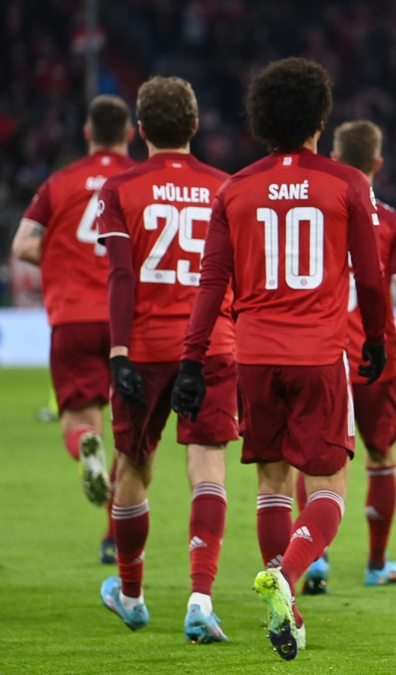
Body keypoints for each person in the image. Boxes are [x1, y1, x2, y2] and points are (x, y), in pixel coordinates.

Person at [172, 57, 389, 660]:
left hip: (255, 358)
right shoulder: (348, 182)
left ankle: (283, 602)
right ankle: (287, 575)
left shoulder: (234, 187)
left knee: (270, 481)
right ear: (321, 115)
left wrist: (192, 362)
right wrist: (376, 339)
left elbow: (211, 286)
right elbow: (370, 280)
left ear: (260, 119)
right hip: (320, 354)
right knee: (328, 489)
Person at [93, 76, 237, 643]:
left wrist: (119, 353)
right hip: (212, 346)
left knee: (133, 466)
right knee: (208, 465)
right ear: (196, 126)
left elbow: (123, 275)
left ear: (142, 130)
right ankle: (201, 600)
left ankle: (130, 595)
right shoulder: (228, 187)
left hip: (146, 347)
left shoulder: (118, 188)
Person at [297, 120, 396, 593]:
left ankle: (314, 560)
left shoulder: (315, 211)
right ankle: (376, 564)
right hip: (378, 362)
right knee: (381, 455)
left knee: (317, 459)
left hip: (321, 353)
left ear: (335, 158)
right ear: (378, 163)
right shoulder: (393, 222)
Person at [11, 96, 136, 557]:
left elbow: (23, 245)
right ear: (130, 133)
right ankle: (113, 538)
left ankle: (85, 445)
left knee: (80, 420)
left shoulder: (59, 182)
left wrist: (63, 262)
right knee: (129, 430)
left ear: (87, 133)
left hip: (73, 319)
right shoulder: (138, 182)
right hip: (128, 320)